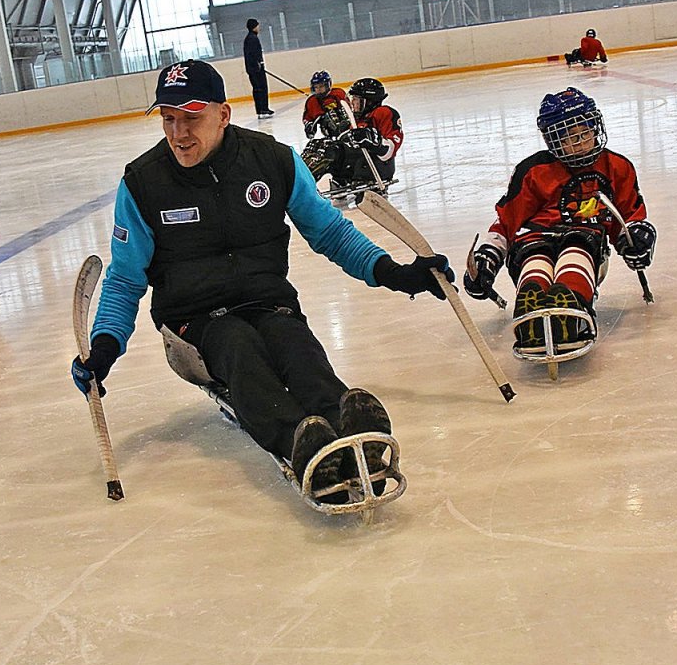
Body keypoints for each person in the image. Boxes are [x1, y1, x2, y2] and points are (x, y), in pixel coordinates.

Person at [70, 59, 454, 504]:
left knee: (296, 345)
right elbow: (124, 279)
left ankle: (352, 432)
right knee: (239, 346)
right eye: (169, 119)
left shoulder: (272, 161)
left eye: (191, 117)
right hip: (192, 324)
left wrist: (396, 273)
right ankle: (300, 444)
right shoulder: (143, 184)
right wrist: (105, 348)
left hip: (267, 301)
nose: (178, 133)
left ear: (223, 113)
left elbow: (330, 232)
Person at [462, 88, 656, 350]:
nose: (580, 142)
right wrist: (488, 258)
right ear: (553, 141)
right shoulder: (532, 171)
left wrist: (636, 239)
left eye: (585, 133)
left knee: (577, 250)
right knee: (534, 258)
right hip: (536, 237)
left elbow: (629, 216)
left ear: (595, 128)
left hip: (586, 239)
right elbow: (506, 223)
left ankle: (570, 309)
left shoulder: (617, 167)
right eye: (570, 137)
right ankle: (532, 315)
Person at [333, 77, 402, 190]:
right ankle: (340, 179)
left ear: (369, 101)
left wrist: (373, 141)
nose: (352, 103)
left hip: (378, 169)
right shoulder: (355, 119)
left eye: (356, 99)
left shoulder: (384, 113)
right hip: (355, 167)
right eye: (352, 99)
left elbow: (390, 150)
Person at [301, 71, 349, 139]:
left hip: (347, 126)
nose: (318, 89)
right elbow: (307, 118)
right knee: (327, 116)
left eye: (321, 86)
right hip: (330, 132)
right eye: (316, 87)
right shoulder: (312, 101)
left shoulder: (338, 93)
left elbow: (350, 109)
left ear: (328, 85)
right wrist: (309, 126)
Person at [243, 18, 272, 119]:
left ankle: (261, 109)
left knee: (257, 89)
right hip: (256, 69)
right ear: (254, 26)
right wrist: (259, 65)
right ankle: (263, 109)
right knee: (261, 88)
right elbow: (254, 54)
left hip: (253, 68)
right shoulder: (252, 38)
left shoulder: (249, 38)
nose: (259, 28)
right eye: (257, 26)